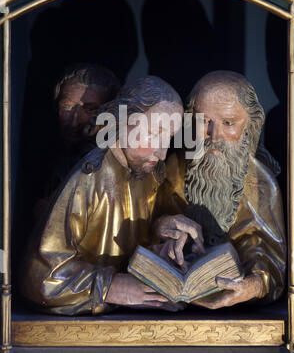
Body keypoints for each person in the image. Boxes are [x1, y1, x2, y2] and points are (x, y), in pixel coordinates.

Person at [21, 76, 194, 315]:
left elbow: (129, 241)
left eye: (169, 139)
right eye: (154, 134)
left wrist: (160, 231)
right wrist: (110, 287)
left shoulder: (146, 171)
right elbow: (39, 277)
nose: (162, 152)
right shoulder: (89, 177)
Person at [153, 71, 286, 308]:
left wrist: (253, 285)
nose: (214, 136)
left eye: (228, 123)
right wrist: (160, 226)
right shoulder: (171, 169)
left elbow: (273, 261)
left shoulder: (261, 184)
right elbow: (140, 232)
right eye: (204, 121)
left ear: (250, 126)